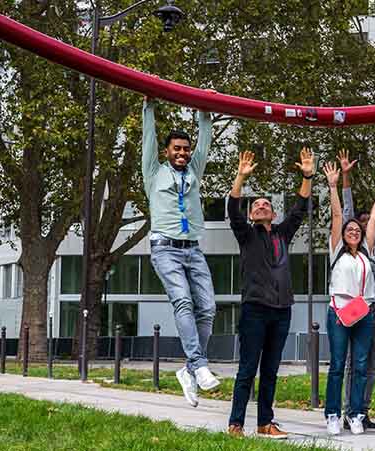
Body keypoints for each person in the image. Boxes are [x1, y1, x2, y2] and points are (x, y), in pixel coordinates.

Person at [226, 149, 316, 439]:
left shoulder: (282, 233)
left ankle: (265, 423)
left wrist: (307, 175)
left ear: (274, 214)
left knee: (271, 370)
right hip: (254, 309)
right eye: (257, 205)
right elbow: (232, 208)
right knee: (247, 369)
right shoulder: (246, 234)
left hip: (281, 311)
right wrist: (240, 176)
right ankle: (236, 425)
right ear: (252, 214)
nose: (262, 206)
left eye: (267, 204)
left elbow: (300, 207)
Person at [141, 99, 218, 408]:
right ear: (167, 152)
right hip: (165, 249)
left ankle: (188, 371)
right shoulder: (153, 173)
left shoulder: (195, 170)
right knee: (183, 301)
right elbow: (147, 139)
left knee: (208, 309)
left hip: (193, 249)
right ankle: (198, 364)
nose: (184, 153)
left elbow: (206, 139)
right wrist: (148, 107)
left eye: (186, 149)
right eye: (177, 149)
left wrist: (205, 109)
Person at [320, 160, 375, 436]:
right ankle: (333, 414)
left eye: (357, 230)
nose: (354, 231)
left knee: (360, 365)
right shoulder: (337, 251)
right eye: (350, 230)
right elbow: (338, 217)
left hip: (363, 311)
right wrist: (333, 186)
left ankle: (356, 413)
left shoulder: (367, 252)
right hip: (339, 310)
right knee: (337, 365)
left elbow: (372, 219)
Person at [335, 150, 375, 430]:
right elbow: (346, 214)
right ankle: (349, 409)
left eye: (364, 225)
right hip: (355, 309)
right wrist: (345, 177)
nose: (361, 227)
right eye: (357, 226)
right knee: (353, 362)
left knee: (370, 365)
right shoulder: (351, 248)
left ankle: (362, 409)